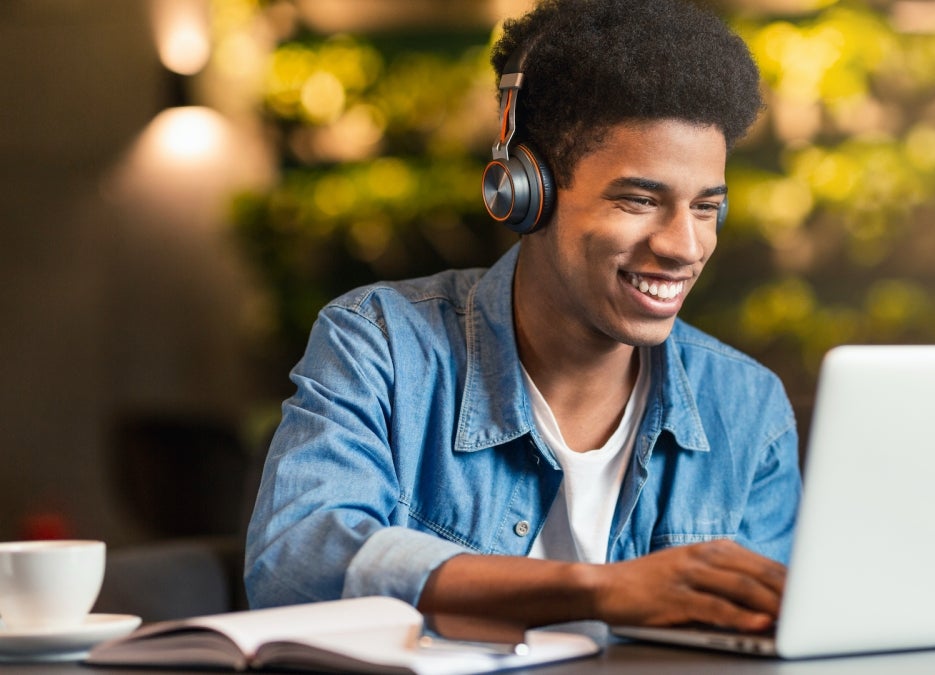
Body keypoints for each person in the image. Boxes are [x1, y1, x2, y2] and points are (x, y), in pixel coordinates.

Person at [245, 0, 801, 633]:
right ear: (523, 193)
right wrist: (597, 591)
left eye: (706, 207)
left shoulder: (748, 408)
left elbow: (772, 640)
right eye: (640, 200)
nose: (684, 245)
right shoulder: (381, 346)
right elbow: (293, 563)